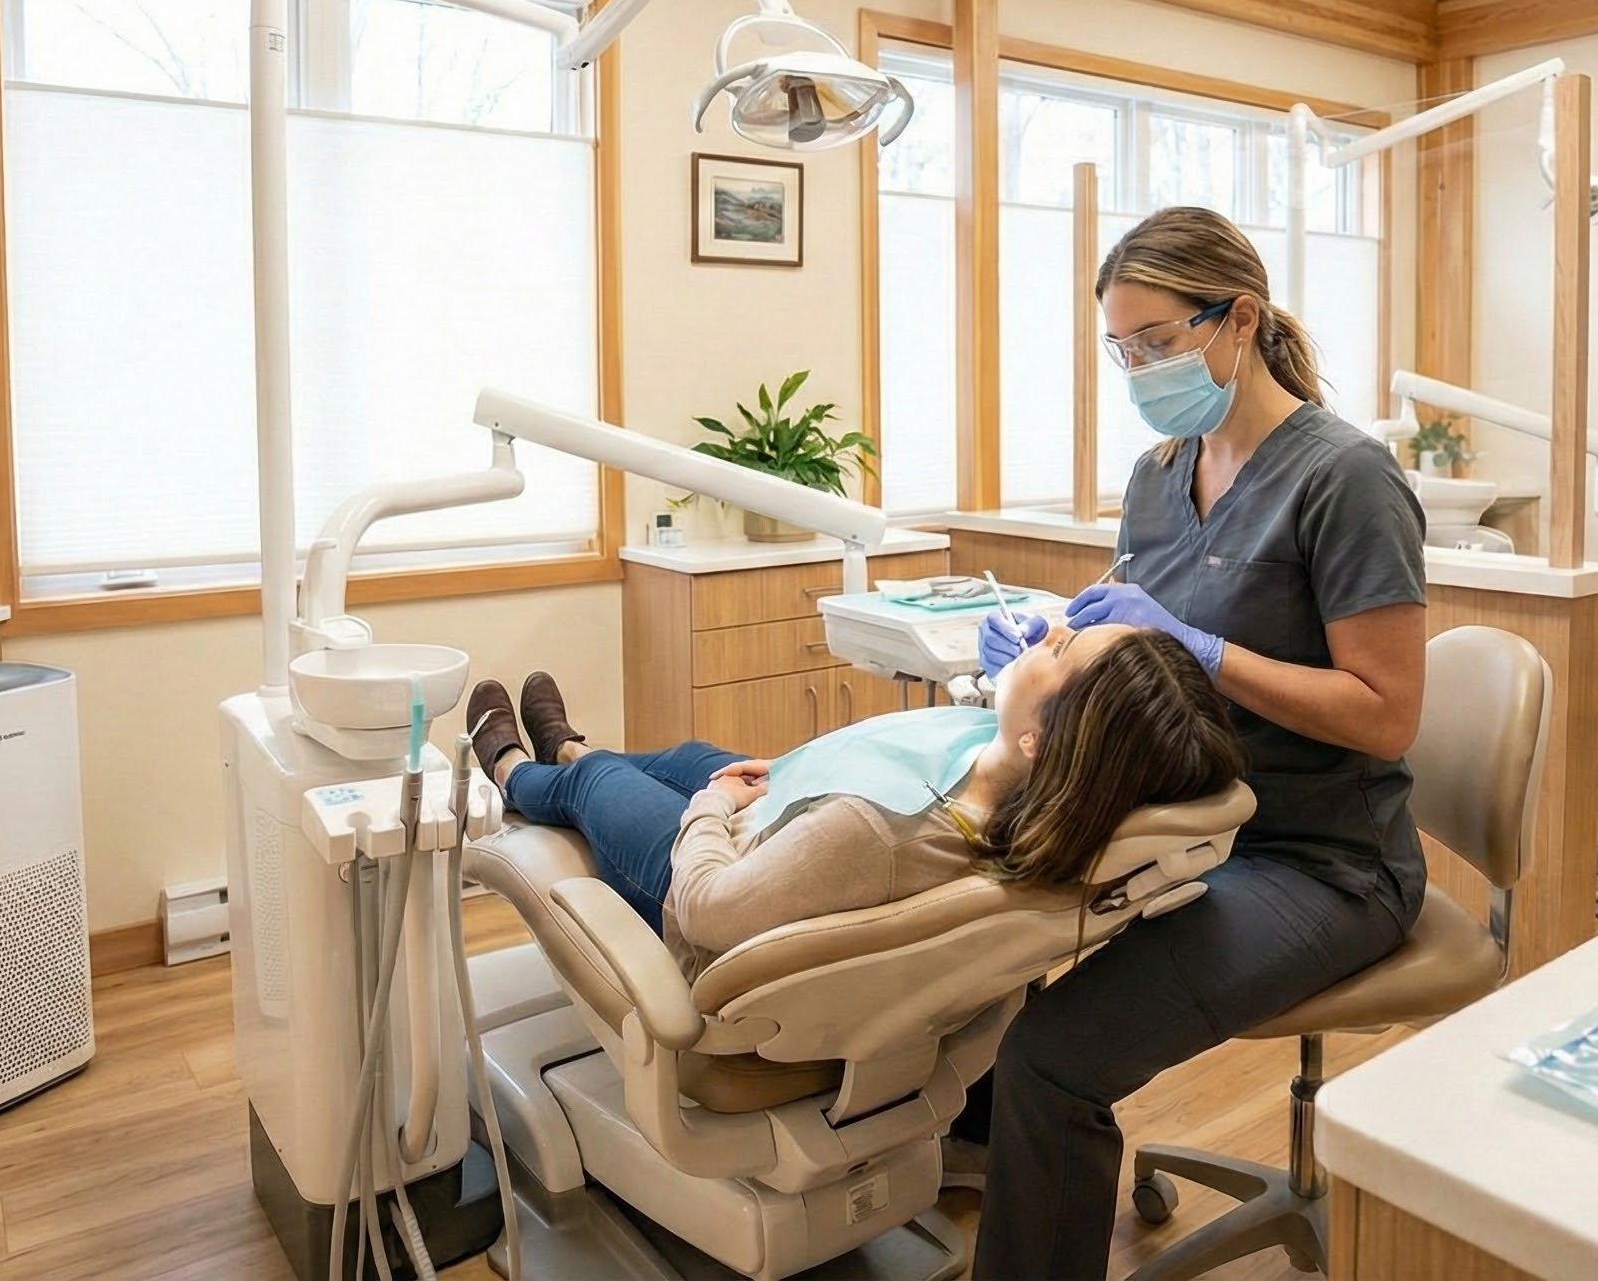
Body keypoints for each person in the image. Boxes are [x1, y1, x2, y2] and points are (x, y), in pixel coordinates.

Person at [965, 205, 1430, 1279]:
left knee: (1052, 1055)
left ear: (1240, 320)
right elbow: (1145, 651)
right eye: (1121, 350)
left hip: (1319, 859)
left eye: (1158, 342)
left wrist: (1205, 651)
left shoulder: (1345, 479)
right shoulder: (1157, 474)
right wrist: (1048, 641)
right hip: (1182, 823)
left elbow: (1385, 713)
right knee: (974, 953)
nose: (1139, 370)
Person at [464, 619, 1242, 975]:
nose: (1042, 634)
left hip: (708, 888)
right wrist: (782, 774)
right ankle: (569, 746)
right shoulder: (1027, 779)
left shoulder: (881, 831)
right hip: (801, 822)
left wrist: (712, 807)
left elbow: (709, 911)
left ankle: (514, 770)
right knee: (693, 754)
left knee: (608, 783)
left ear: (1042, 740)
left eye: (1060, 649)